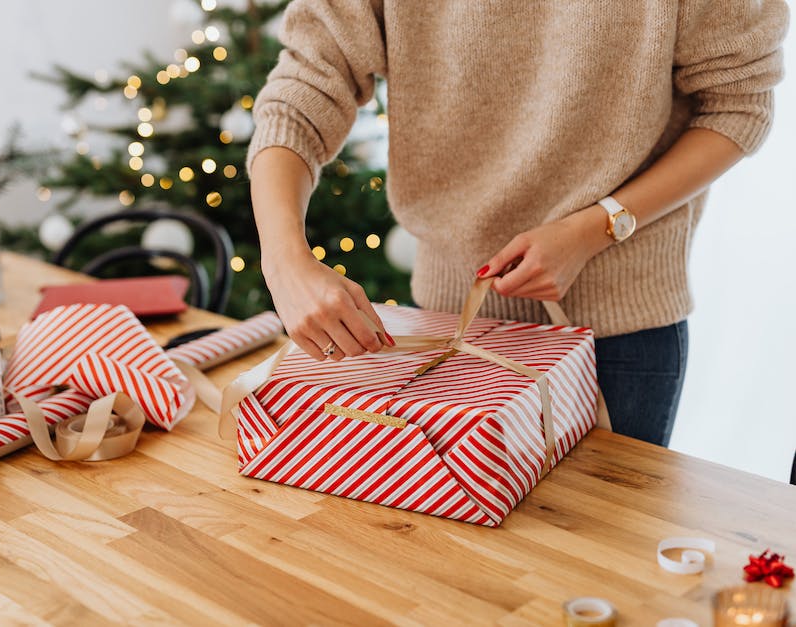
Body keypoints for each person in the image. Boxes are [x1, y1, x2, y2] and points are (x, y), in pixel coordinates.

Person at [246, 0, 788, 447]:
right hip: (445, 326)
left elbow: (737, 106)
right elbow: (302, 95)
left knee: (598, 569)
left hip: (617, 341)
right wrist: (285, 260)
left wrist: (595, 228)